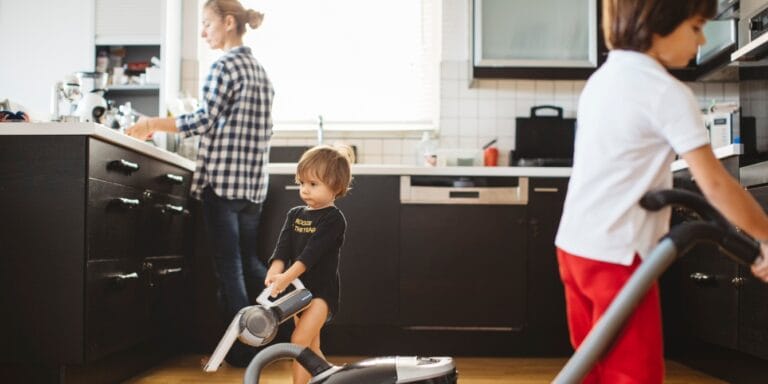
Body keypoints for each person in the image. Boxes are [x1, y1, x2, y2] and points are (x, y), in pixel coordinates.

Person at [555, 0, 768, 382]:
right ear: (658, 24)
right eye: (696, 27)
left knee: (592, 367)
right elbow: (716, 184)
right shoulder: (665, 91)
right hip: (617, 257)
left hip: (574, 248)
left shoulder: (602, 80)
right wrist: (767, 236)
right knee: (634, 375)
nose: (702, 40)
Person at [125, 0, 274, 367]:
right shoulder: (260, 71)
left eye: (207, 23)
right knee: (251, 263)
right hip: (252, 185)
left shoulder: (223, 65)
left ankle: (241, 352)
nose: (204, 31)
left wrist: (151, 124)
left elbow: (203, 120)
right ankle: (282, 322)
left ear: (227, 22)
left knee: (230, 270)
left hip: (222, 183)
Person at [265, 144, 353, 384]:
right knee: (312, 350)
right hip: (299, 292)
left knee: (298, 342)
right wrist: (275, 271)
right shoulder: (294, 214)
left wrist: (286, 278)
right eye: (301, 183)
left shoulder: (334, 219)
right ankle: (337, 379)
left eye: (313, 184)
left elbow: (309, 255)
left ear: (336, 186)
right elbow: (282, 249)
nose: (305, 190)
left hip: (321, 294)